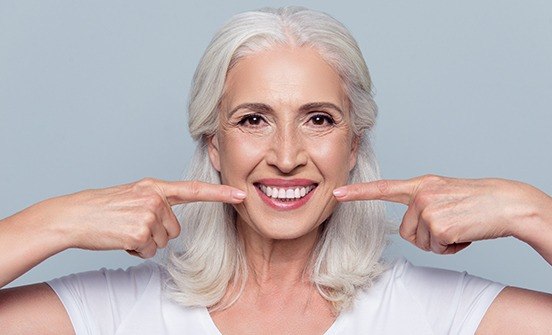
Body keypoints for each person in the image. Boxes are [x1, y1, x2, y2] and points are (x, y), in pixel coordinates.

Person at [0, 6, 551, 334]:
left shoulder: (439, 313)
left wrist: (527, 210)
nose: (286, 156)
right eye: (252, 120)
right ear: (213, 145)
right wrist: (57, 221)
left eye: (318, 119)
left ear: (353, 144)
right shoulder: (115, 310)